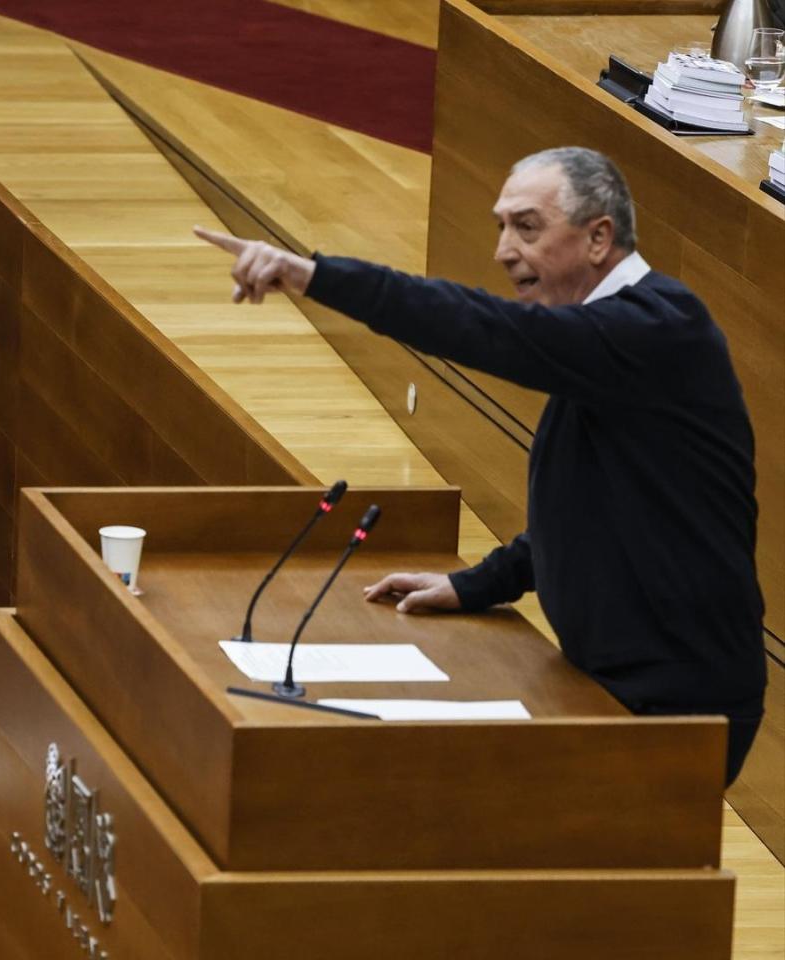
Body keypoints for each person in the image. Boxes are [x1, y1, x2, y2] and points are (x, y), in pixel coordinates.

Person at [196, 146, 765, 787]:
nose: (502, 250)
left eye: (526, 226)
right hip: (617, 679)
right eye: (501, 226)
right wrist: (479, 583)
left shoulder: (658, 331)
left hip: (681, 699)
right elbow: (591, 509)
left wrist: (314, 277)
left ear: (599, 237)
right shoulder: (608, 341)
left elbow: (479, 326)